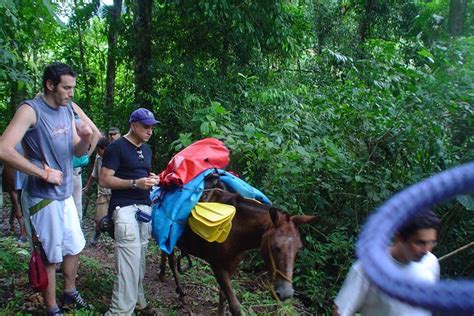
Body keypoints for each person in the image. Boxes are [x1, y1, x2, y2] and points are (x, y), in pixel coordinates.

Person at [0, 62, 94, 315]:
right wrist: (42, 172)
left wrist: (85, 139)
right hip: (43, 197)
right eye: (66, 87)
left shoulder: (67, 109)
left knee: (74, 246)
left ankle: (70, 293)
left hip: (64, 194)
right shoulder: (31, 110)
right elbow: (3, 148)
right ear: (50, 85)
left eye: (73, 87)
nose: (71, 93)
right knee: (49, 256)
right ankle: (51, 308)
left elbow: (75, 150)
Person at [100, 108, 160, 316]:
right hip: (124, 208)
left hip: (144, 208)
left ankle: (139, 302)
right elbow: (105, 179)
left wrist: (152, 178)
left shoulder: (147, 149)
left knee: (140, 258)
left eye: (152, 126)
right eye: (146, 126)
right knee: (128, 263)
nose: (150, 130)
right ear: (133, 125)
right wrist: (135, 183)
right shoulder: (116, 148)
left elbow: (142, 174)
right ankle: (119, 312)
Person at [333, 209, 441, 316]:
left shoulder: (431, 263)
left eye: (431, 243)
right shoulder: (368, 269)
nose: (427, 250)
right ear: (399, 237)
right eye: (420, 242)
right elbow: (341, 312)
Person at [71, 107, 100, 224]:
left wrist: (84, 157)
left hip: (54, 168)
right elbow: (96, 133)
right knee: (75, 211)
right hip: (74, 169)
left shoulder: (68, 106)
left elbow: (93, 133)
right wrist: (85, 157)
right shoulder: (72, 106)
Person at [82, 137, 111, 245]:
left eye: (99, 150)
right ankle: (97, 233)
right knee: (99, 218)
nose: (98, 152)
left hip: (115, 193)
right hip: (103, 192)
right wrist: (87, 186)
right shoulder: (99, 159)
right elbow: (94, 175)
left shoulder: (115, 157)